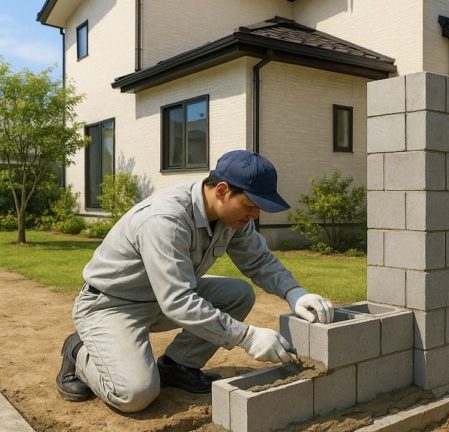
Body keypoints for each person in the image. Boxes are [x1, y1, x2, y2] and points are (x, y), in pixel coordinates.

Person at [56, 150, 334, 413]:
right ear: (222, 191)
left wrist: (295, 292)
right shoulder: (166, 219)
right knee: (135, 393)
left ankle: (177, 366)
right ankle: (77, 351)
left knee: (238, 294)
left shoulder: (232, 219)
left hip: (160, 297)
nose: (255, 215)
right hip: (112, 305)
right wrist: (247, 337)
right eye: (251, 205)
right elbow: (178, 301)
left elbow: (259, 260)